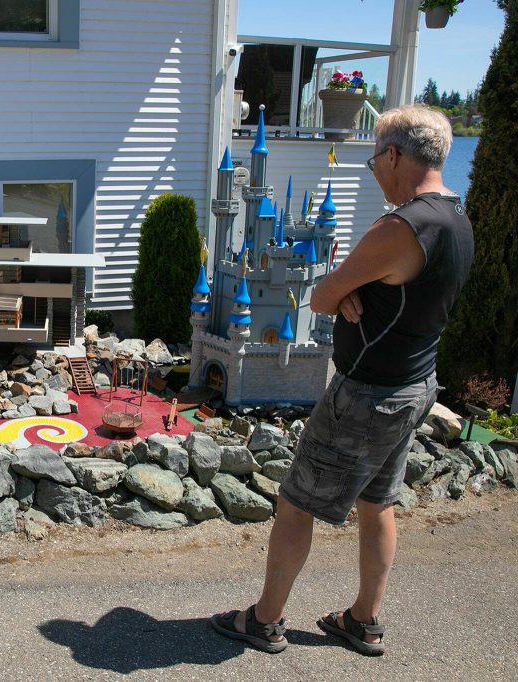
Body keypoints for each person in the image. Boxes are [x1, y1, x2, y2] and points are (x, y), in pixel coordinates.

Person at [210, 105, 474, 656]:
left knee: (296, 503)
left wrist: (342, 289)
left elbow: (323, 295)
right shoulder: (456, 220)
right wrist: (355, 288)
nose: (375, 168)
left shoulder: (402, 224)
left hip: (366, 393)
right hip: (415, 385)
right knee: (378, 504)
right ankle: (363, 621)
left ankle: (264, 620)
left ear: (396, 155)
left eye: (377, 157)